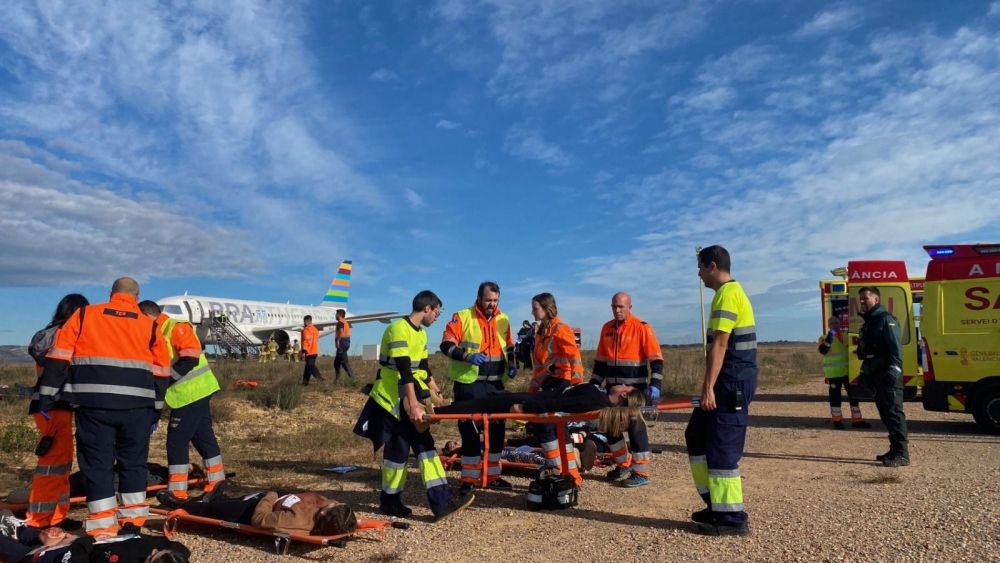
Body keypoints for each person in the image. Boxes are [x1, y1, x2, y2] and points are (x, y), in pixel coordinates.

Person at [37, 277, 170, 537]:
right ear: (136, 295)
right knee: (133, 465)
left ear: (111, 294)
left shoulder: (85, 315)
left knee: (98, 466)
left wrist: (46, 396)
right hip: (137, 409)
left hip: (93, 406)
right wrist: (156, 409)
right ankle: (133, 524)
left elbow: (59, 357)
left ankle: (103, 528)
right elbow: (162, 371)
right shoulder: (150, 325)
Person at [353, 290, 474, 521]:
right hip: (395, 397)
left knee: (398, 451)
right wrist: (416, 405)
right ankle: (441, 501)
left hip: (406, 397)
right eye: (437, 312)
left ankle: (390, 500)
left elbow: (423, 368)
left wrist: (435, 391)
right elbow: (404, 369)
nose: (437, 317)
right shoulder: (399, 328)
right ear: (427, 308)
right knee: (423, 444)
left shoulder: (420, 334)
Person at [686, 245, 757, 537]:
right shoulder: (725, 295)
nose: (699, 273)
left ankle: (731, 519)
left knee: (722, 449)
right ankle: (715, 504)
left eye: (700, 267)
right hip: (728, 381)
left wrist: (708, 388)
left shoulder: (728, 295)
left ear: (712, 266)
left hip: (731, 383)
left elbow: (720, 344)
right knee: (696, 435)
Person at [137, 301, 226, 504]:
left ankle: (177, 492)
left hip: (192, 392)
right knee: (203, 436)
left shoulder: (175, 327)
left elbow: (190, 358)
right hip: (190, 393)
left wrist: (165, 381)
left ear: (149, 315)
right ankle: (217, 481)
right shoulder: (154, 333)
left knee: (176, 440)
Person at [440, 281, 516, 491]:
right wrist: (467, 356)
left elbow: (509, 346)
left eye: (495, 300)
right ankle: (469, 480)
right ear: (479, 298)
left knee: (497, 432)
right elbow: (445, 345)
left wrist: (513, 365)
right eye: (488, 300)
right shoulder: (463, 316)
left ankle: (492, 477)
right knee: (470, 433)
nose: (492, 304)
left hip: (495, 386)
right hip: (469, 385)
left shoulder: (504, 319)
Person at [25, 294, 89, 530]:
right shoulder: (66, 335)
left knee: (61, 464)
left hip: (46, 406)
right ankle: (39, 521)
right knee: (52, 465)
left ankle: (56, 517)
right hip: (55, 406)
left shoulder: (48, 333)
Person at [590, 292, 664, 488]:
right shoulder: (607, 329)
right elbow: (600, 363)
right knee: (609, 427)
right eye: (614, 306)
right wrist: (593, 385)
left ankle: (641, 471)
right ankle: (624, 464)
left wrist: (655, 385)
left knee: (635, 428)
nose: (617, 310)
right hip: (612, 392)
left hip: (633, 391)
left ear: (630, 307)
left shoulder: (642, 328)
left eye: (621, 307)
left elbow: (656, 361)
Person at [526, 293, 585, 485]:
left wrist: (576, 384)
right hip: (548, 382)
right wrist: (533, 389)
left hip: (562, 383)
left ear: (546, 308)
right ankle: (561, 471)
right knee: (551, 426)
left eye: (535, 308)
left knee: (551, 425)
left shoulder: (561, 329)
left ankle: (565, 472)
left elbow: (574, 357)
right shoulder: (541, 332)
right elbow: (541, 365)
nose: (532, 311)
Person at [157, 486, 357, 537]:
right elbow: (335, 507)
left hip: (250, 510)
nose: (329, 502)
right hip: (267, 500)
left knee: (208, 509)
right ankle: (217, 497)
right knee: (225, 501)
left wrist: (270, 495)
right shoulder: (332, 513)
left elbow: (259, 519)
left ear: (323, 514)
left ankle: (176, 503)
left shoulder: (296, 521)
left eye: (329, 506)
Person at [0, 512, 190, 563]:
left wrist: (71, 543)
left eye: (152, 557)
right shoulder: (167, 555)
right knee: (46, 534)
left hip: (65, 555)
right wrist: (121, 534)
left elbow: (75, 557)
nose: (153, 551)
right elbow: (179, 548)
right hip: (82, 544)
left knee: (23, 553)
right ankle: (20, 531)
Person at [856, 286, 909, 467]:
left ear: (876, 300)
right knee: (885, 413)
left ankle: (902, 453)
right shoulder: (870, 322)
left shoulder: (886, 320)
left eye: (866, 298)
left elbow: (895, 349)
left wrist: (894, 371)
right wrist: (864, 373)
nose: (862, 302)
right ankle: (894, 449)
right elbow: (868, 352)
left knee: (894, 413)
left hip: (887, 375)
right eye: (861, 299)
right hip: (876, 374)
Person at [818, 316, 870, 429]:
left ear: (839, 324)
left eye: (836, 323)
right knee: (835, 397)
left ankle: (857, 421)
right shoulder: (823, 338)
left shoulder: (846, 337)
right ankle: (837, 421)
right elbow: (823, 351)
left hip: (848, 372)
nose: (834, 325)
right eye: (831, 323)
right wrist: (830, 338)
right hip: (834, 373)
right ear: (828, 325)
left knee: (854, 396)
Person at [301, 315, 323, 385]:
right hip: (314, 351)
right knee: (307, 367)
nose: (303, 323)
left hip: (309, 352)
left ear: (307, 321)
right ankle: (305, 382)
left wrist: (304, 352)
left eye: (304, 321)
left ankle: (321, 380)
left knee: (311, 366)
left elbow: (306, 341)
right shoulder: (315, 330)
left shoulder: (306, 330)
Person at [334, 309, 355, 381]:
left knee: (344, 362)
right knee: (338, 362)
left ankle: (352, 378)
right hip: (346, 342)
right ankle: (337, 379)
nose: (335, 315)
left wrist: (337, 341)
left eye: (336, 314)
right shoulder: (346, 322)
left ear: (339, 315)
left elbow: (341, 333)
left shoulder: (340, 323)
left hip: (342, 343)